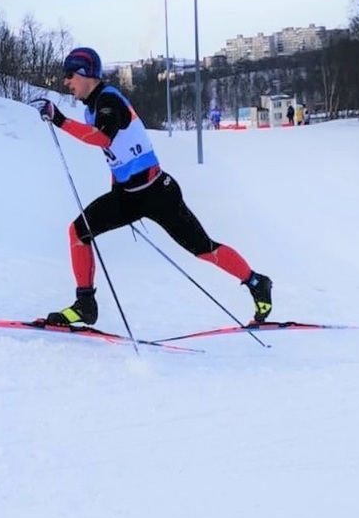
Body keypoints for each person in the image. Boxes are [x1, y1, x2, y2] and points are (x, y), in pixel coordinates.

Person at [33, 47, 272, 327]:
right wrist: (116, 189)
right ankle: (85, 305)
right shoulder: (91, 109)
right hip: (128, 197)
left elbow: (103, 139)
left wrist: (59, 120)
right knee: (78, 232)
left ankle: (257, 282)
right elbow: (119, 154)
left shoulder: (110, 100)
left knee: (204, 249)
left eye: (69, 75)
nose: (66, 82)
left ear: (86, 75)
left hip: (158, 193)